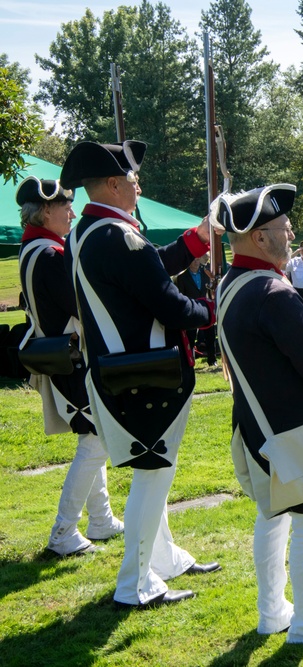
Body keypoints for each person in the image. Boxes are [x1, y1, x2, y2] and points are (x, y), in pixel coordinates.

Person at [60, 140, 220, 609]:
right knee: (154, 476)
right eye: (131, 179)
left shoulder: (94, 232)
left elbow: (149, 267)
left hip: (123, 373)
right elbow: (166, 300)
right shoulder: (116, 236)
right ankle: (135, 584)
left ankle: (164, 560)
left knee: (155, 474)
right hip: (144, 375)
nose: (138, 185)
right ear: (112, 184)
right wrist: (216, 309)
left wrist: (197, 238)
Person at [213, 184, 303, 643]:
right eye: (282, 227)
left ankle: (273, 613)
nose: (290, 231)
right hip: (294, 432)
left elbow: (291, 325)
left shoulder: (236, 283)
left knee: (272, 518)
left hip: (260, 430)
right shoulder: (271, 292)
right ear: (259, 237)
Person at [16, 176, 124, 557]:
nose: (72, 212)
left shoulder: (33, 249)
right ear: (46, 210)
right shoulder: (48, 255)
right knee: (94, 443)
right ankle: (63, 531)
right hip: (72, 360)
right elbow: (81, 305)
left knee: (92, 440)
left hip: (63, 357)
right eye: (65, 207)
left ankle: (101, 519)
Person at [174, 255, 217, 366]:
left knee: (210, 336)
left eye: (198, 259)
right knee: (190, 338)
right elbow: (180, 295)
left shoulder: (206, 274)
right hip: (191, 309)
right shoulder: (182, 277)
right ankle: (190, 360)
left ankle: (212, 360)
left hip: (205, 308)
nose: (197, 261)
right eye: (194, 259)